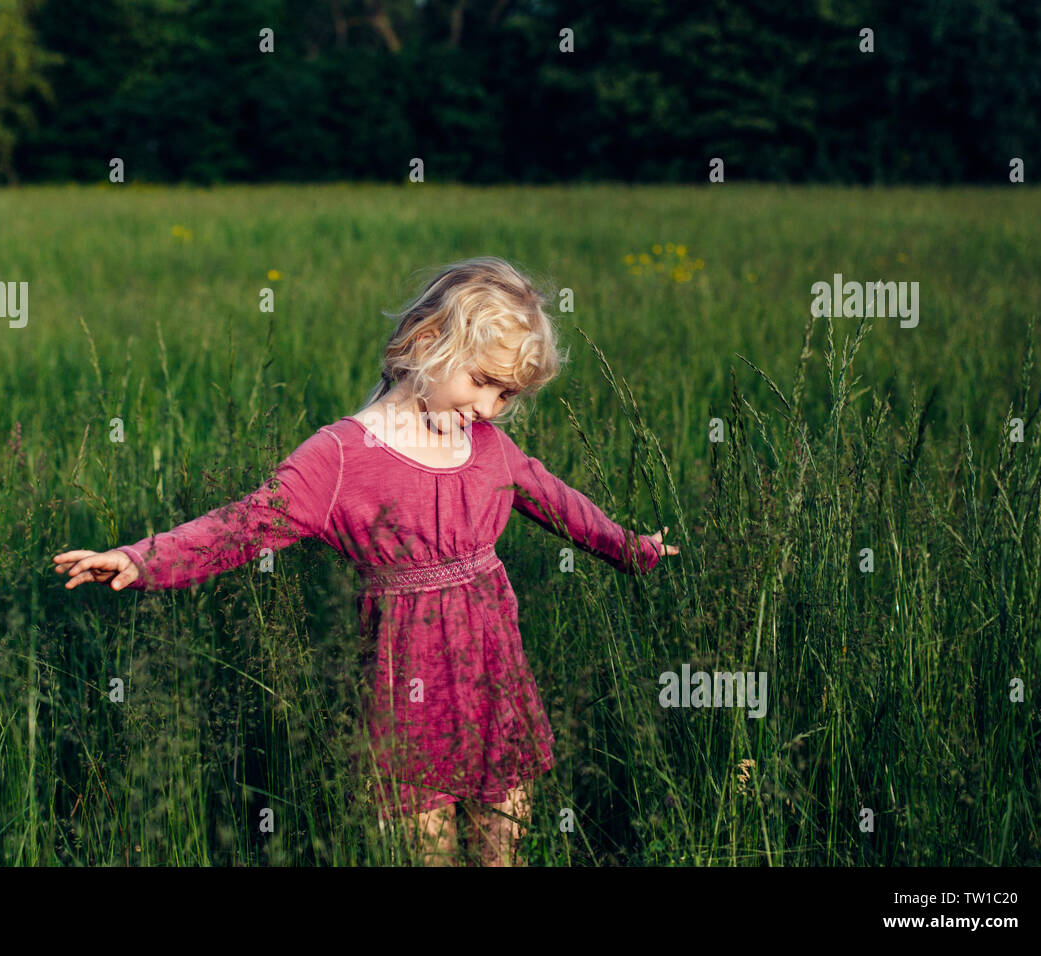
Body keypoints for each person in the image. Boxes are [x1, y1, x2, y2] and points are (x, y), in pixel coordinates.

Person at [53, 256, 679, 865]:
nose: (490, 408)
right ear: (429, 342)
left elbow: (561, 502)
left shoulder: (488, 446)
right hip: (405, 684)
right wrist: (143, 557)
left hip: (494, 672)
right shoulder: (342, 457)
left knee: (503, 848)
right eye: (483, 382)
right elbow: (245, 523)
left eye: (506, 393)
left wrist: (634, 549)